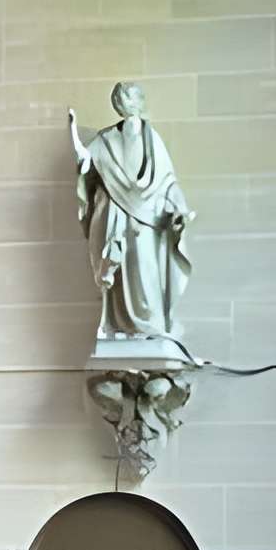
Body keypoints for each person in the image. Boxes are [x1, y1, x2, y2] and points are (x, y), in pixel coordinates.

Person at [68, 83, 193, 351]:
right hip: (115, 217)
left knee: (144, 269)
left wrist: (178, 209)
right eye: (121, 98)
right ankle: (120, 327)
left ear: (139, 101)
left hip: (147, 219)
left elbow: (168, 181)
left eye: (130, 96)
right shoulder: (106, 139)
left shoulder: (152, 138)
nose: (125, 102)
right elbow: (88, 165)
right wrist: (76, 142)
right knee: (119, 273)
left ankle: (150, 326)